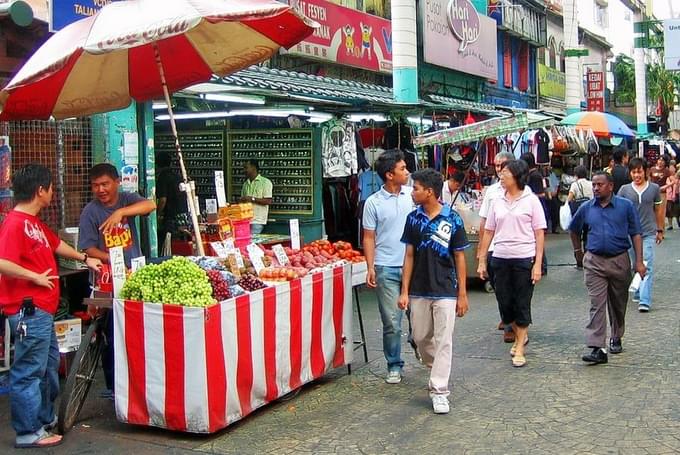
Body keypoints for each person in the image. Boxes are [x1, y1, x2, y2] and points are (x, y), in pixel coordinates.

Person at [0, 165, 102, 448]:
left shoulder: (35, 223)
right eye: (50, 188)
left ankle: (43, 421)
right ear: (40, 191)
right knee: (29, 371)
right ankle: (28, 432)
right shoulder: (14, 223)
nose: (53, 193)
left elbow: (56, 245)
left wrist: (85, 258)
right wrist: (33, 276)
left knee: (47, 369)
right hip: (28, 310)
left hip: (42, 310)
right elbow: (2, 262)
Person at [78, 163, 156, 399]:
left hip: (134, 276)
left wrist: (121, 212)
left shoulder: (126, 199)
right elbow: (88, 248)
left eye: (105, 184)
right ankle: (114, 386)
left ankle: (139, 381)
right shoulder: (90, 212)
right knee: (111, 332)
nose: (100, 189)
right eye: (95, 185)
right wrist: (112, 258)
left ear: (116, 182)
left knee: (136, 331)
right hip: (106, 280)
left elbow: (150, 204)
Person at [398, 169, 469, 414]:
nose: (412, 192)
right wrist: (404, 290)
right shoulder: (413, 219)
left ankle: (439, 390)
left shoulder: (454, 219)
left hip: (446, 289)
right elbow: (408, 255)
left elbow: (460, 257)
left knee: (444, 341)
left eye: (416, 187)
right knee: (420, 336)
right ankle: (434, 363)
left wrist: (462, 294)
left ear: (430, 192)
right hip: (418, 288)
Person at [569, 172, 645, 365]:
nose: (595, 188)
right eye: (594, 185)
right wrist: (578, 252)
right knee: (597, 304)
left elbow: (636, 233)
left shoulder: (625, 206)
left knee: (618, 303)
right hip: (594, 262)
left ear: (610, 186)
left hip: (619, 260)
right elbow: (574, 229)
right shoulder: (586, 208)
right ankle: (597, 347)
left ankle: (616, 335)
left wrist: (639, 262)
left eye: (599, 185)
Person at [478, 160, 546, 368]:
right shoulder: (497, 200)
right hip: (499, 258)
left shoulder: (531, 200)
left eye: (505, 172)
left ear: (517, 176)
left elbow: (539, 233)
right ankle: (518, 335)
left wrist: (537, 264)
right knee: (505, 304)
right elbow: (489, 231)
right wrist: (482, 260)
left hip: (524, 258)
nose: (501, 175)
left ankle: (520, 346)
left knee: (522, 302)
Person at [363, 150, 414, 384]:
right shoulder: (373, 202)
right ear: (389, 174)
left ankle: (419, 343)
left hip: (414, 266)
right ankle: (394, 364)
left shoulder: (413, 196)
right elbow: (369, 237)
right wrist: (370, 266)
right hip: (386, 267)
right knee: (392, 322)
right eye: (402, 169)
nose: (407, 172)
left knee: (421, 318)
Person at [617, 158, 664, 312]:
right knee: (633, 265)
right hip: (630, 234)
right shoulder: (624, 190)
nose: (637, 175)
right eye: (634, 172)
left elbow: (658, 210)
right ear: (630, 173)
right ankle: (638, 290)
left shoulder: (654, 189)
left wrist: (660, 229)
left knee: (647, 265)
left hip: (648, 232)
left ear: (645, 172)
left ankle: (645, 300)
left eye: (639, 172)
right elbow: (618, 211)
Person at [477, 151, 515, 343]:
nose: (499, 169)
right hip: (494, 247)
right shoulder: (491, 191)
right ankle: (507, 317)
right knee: (500, 287)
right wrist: (481, 252)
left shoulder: (523, 191)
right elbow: (484, 221)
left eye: (503, 165)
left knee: (515, 287)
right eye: (497, 165)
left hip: (516, 247)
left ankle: (512, 323)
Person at [155, 152, 187, 246]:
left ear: (157, 164)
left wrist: (156, 214)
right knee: (178, 244)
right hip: (181, 216)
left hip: (170, 218)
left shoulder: (163, 178)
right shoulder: (177, 176)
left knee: (168, 244)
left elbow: (163, 200)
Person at [567, 165, 594, 269]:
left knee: (577, 234)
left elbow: (569, 199)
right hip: (591, 212)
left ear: (576, 175)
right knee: (588, 234)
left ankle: (579, 259)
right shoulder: (591, 184)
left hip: (579, 213)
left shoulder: (575, 184)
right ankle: (588, 257)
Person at [239, 159, 273, 235]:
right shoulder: (245, 184)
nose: (244, 170)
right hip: (245, 220)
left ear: (253, 168)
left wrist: (251, 199)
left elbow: (268, 201)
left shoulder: (265, 182)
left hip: (257, 220)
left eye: (246, 168)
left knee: (252, 242)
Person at [663, 164, 678, 230]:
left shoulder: (673, 177)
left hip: (672, 195)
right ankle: (669, 224)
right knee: (668, 211)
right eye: (670, 168)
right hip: (667, 195)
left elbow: (674, 186)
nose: (671, 170)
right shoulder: (666, 177)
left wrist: (674, 194)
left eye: (672, 168)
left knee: (672, 210)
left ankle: (672, 224)